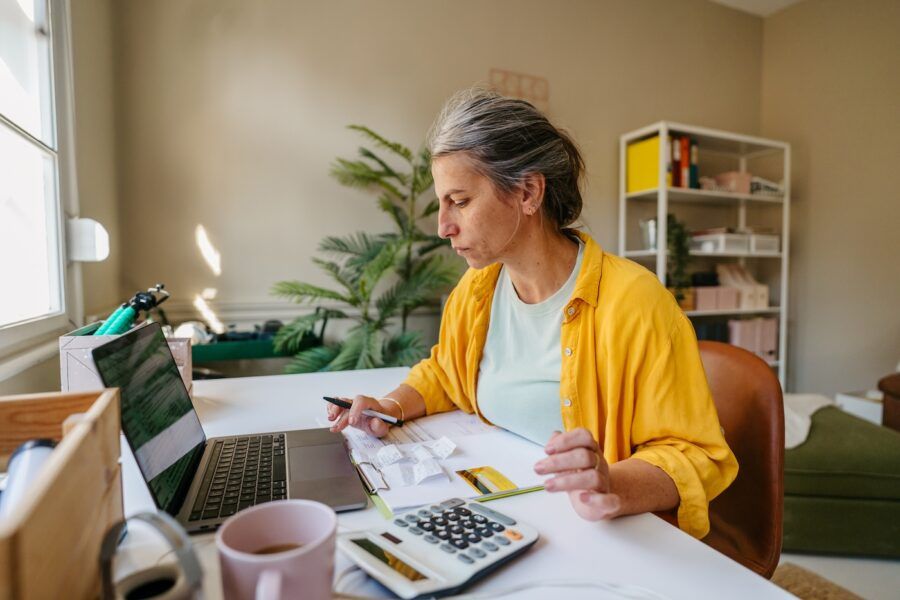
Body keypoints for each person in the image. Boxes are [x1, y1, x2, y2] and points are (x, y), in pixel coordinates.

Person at [327, 88, 737, 539]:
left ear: (527, 192)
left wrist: (612, 484)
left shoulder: (636, 302)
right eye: (443, 203)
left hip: (599, 533)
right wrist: (389, 408)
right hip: (504, 516)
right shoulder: (476, 289)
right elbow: (446, 374)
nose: (443, 226)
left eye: (460, 201)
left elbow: (695, 455)